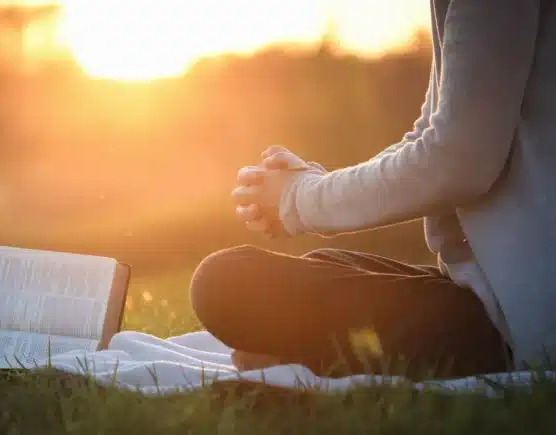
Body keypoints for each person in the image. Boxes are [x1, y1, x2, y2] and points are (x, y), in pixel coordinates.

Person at [189, 0, 556, 380]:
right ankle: (311, 349)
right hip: (487, 291)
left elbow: (457, 159)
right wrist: (312, 182)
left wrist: (299, 198)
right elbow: (428, 135)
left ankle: (310, 356)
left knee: (225, 282)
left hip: (521, 324)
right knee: (325, 264)